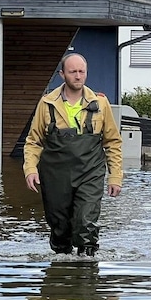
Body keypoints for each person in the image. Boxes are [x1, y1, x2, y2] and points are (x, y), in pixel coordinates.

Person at [23, 53, 123, 257]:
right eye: (73, 72)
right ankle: (62, 278)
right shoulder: (46, 104)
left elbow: (112, 142)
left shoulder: (101, 104)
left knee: (86, 224)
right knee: (60, 229)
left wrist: (115, 176)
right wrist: (30, 169)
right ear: (62, 74)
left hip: (90, 173)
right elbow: (33, 142)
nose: (78, 76)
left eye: (81, 71)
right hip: (55, 176)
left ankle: (87, 274)